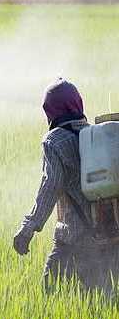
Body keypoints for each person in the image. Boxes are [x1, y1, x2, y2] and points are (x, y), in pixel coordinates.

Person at [13, 78, 119, 293]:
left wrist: (28, 228)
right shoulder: (96, 134)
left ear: (51, 110)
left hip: (74, 238)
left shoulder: (54, 141)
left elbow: (49, 188)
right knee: (103, 299)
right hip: (110, 231)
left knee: (50, 292)